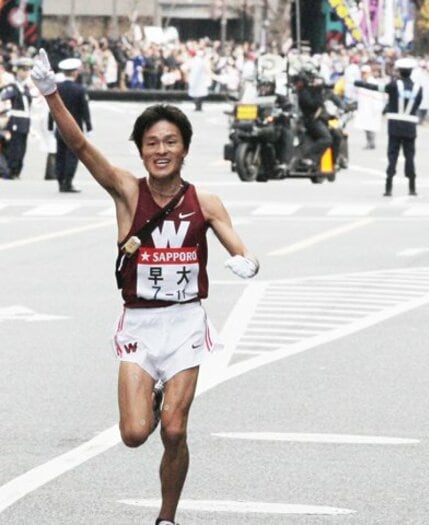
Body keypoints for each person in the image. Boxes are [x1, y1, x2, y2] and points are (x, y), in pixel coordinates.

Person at [31, 49, 260, 525]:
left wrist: (246, 262)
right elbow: (81, 148)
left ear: (184, 149)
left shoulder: (206, 202)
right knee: (136, 433)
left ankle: (166, 518)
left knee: (174, 430)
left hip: (184, 323)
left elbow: (240, 246)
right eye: (152, 143)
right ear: (141, 151)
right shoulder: (127, 192)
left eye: (170, 142)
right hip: (140, 323)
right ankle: (151, 402)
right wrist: (51, 93)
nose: (161, 150)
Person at [356, 57, 423, 197]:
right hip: (410, 126)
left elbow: (376, 88)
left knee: (392, 156)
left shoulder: (393, 86)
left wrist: (360, 84)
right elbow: (417, 105)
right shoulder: (418, 89)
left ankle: (389, 187)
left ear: (399, 71)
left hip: (395, 126)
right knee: (410, 157)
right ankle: (412, 187)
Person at [48, 57, 92, 192]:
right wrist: (89, 127)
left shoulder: (57, 88)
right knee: (72, 154)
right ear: (74, 73)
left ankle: (60, 181)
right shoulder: (79, 89)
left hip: (59, 127)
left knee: (60, 153)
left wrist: (50, 125)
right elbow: (84, 110)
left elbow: (52, 107)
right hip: (74, 128)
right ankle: (68, 181)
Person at [0, 57, 33, 179]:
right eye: (24, 69)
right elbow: (2, 98)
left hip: (24, 122)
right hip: (15, 121)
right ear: (17, 71)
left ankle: (17, 170)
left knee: (22, 149)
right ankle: (12, 171)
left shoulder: (25, 88)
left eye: (28, 69)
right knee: (15, 148)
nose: (26, 72)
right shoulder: (13, 87)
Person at [354, 64, 385, 149]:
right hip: (364, 107)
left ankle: (371, 143)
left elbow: (378, 96)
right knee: (366, 126)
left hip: (372, 108)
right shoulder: (362, 82)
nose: (363, 75)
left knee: (371, 126)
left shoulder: (373, 82)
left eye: (364, 73)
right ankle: (369, 142)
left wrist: (377, 108)